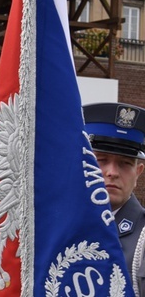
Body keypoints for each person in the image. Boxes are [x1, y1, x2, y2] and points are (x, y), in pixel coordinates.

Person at [83, 102, 145, 294]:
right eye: (101, 160)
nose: (112, 172)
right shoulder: (57, 226)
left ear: (139, 172)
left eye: (125, 163)